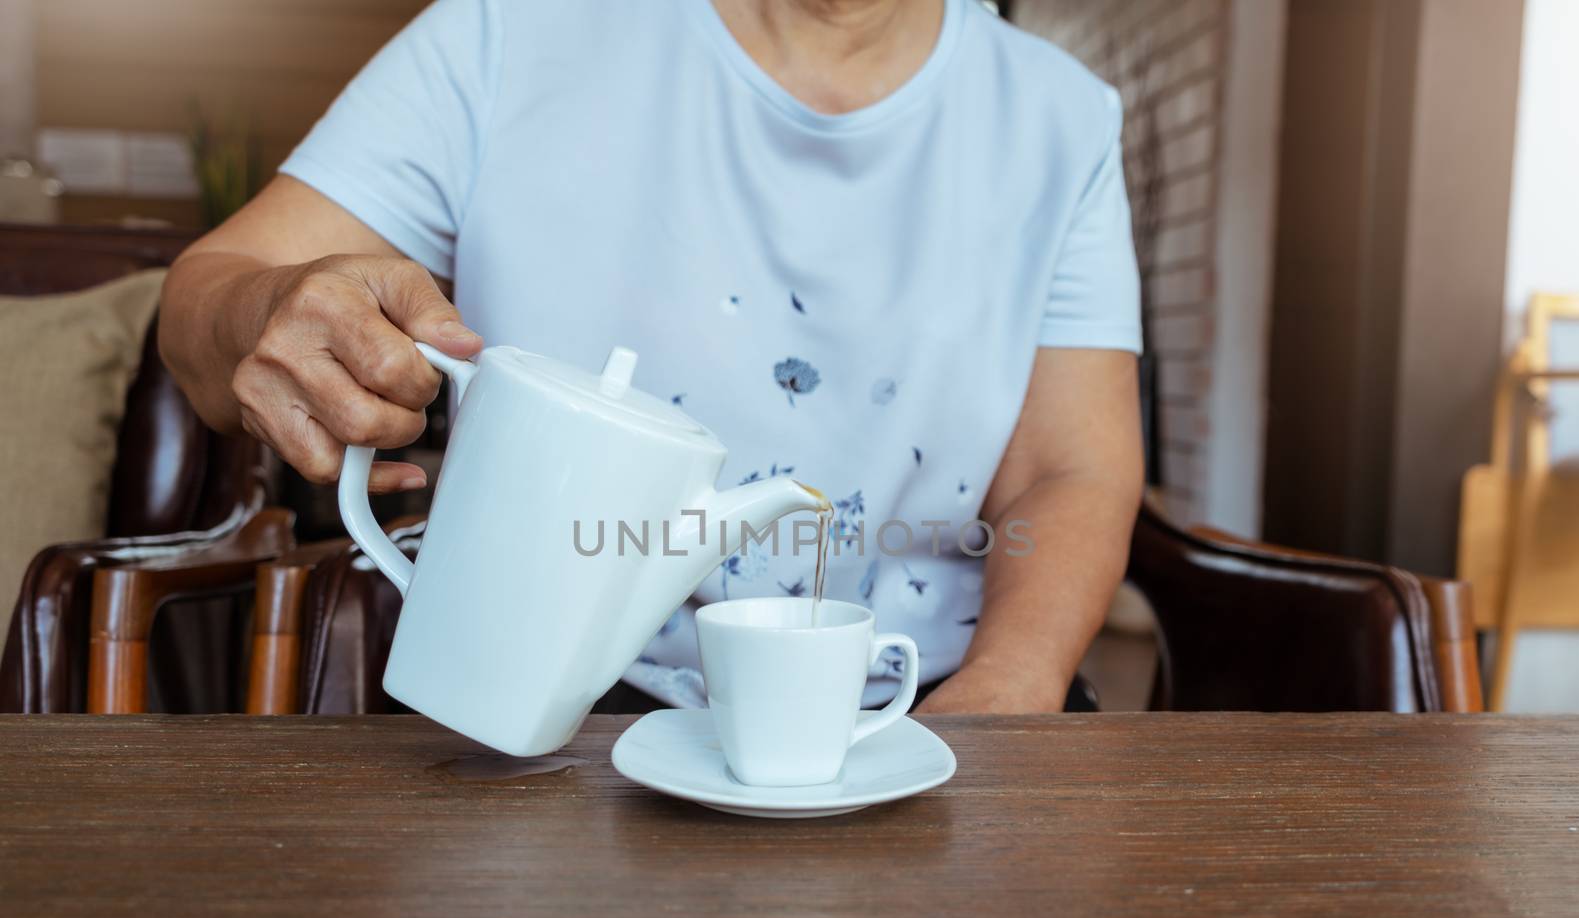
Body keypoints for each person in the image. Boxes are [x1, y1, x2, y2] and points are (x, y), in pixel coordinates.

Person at [158, 0, 1144, 715]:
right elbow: (214, 290)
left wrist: (1007, 695)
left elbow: (1070, 467)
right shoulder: (506, 33)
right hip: (540, 705)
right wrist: (264, 310)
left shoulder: (1060, 118)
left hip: (918, 700)